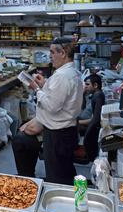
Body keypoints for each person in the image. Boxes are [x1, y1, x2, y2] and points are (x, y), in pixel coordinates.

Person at [29, 38, 83, 185]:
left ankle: (61, 203)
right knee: (64, 170)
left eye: (53, 52)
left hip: (58, 134)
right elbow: (60, 94)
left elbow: (52, 106)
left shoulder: (62, 76)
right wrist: (45, 84)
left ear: (63, 53)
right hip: (66, 131)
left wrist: (37, 89)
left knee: (57, 176)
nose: (50, 56)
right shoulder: (72, 72)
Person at [78, 74, 106, 161]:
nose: (85, 87)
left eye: (87, 84)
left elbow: (95, 119)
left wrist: (78, 123)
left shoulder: (98, 96)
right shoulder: (95, 95)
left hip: (90, 127)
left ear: (95, 85)